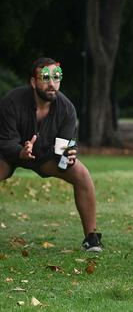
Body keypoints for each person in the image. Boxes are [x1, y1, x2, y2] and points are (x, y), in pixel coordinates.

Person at [0, 57, 103, 252]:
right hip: (10, 153)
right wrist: (20, 152)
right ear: (33, 82)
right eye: (45, 78)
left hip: (45, 157)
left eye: (56, 78)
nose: (52, 84)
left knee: (82, 175)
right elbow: (5, 142)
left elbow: (63, 150)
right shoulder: (11, 101)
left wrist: (68, 157)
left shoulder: (67, 109)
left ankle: (91, 238)